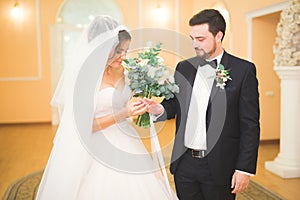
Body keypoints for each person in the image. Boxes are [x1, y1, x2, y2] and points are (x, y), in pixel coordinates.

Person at [36, 15, 177, 200]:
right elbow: (85, 126)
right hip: (97, 147)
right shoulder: (85, 78)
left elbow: (123, 100)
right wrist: (124, 113)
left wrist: (139, 102)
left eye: (126, 50)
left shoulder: (123, 71)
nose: (124, 57)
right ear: (103, 48)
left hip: (127, 139)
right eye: (119, 51)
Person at [145, 9, 260, 200]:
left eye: (200, 38)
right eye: (192, 38)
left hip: (220, 165)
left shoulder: (243, 71)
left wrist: (244, 168)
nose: (194, 44)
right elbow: (174, 104)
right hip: (184, 164)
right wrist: (160, 109)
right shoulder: (184, 67)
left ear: (218, 36)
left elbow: (250, 125)